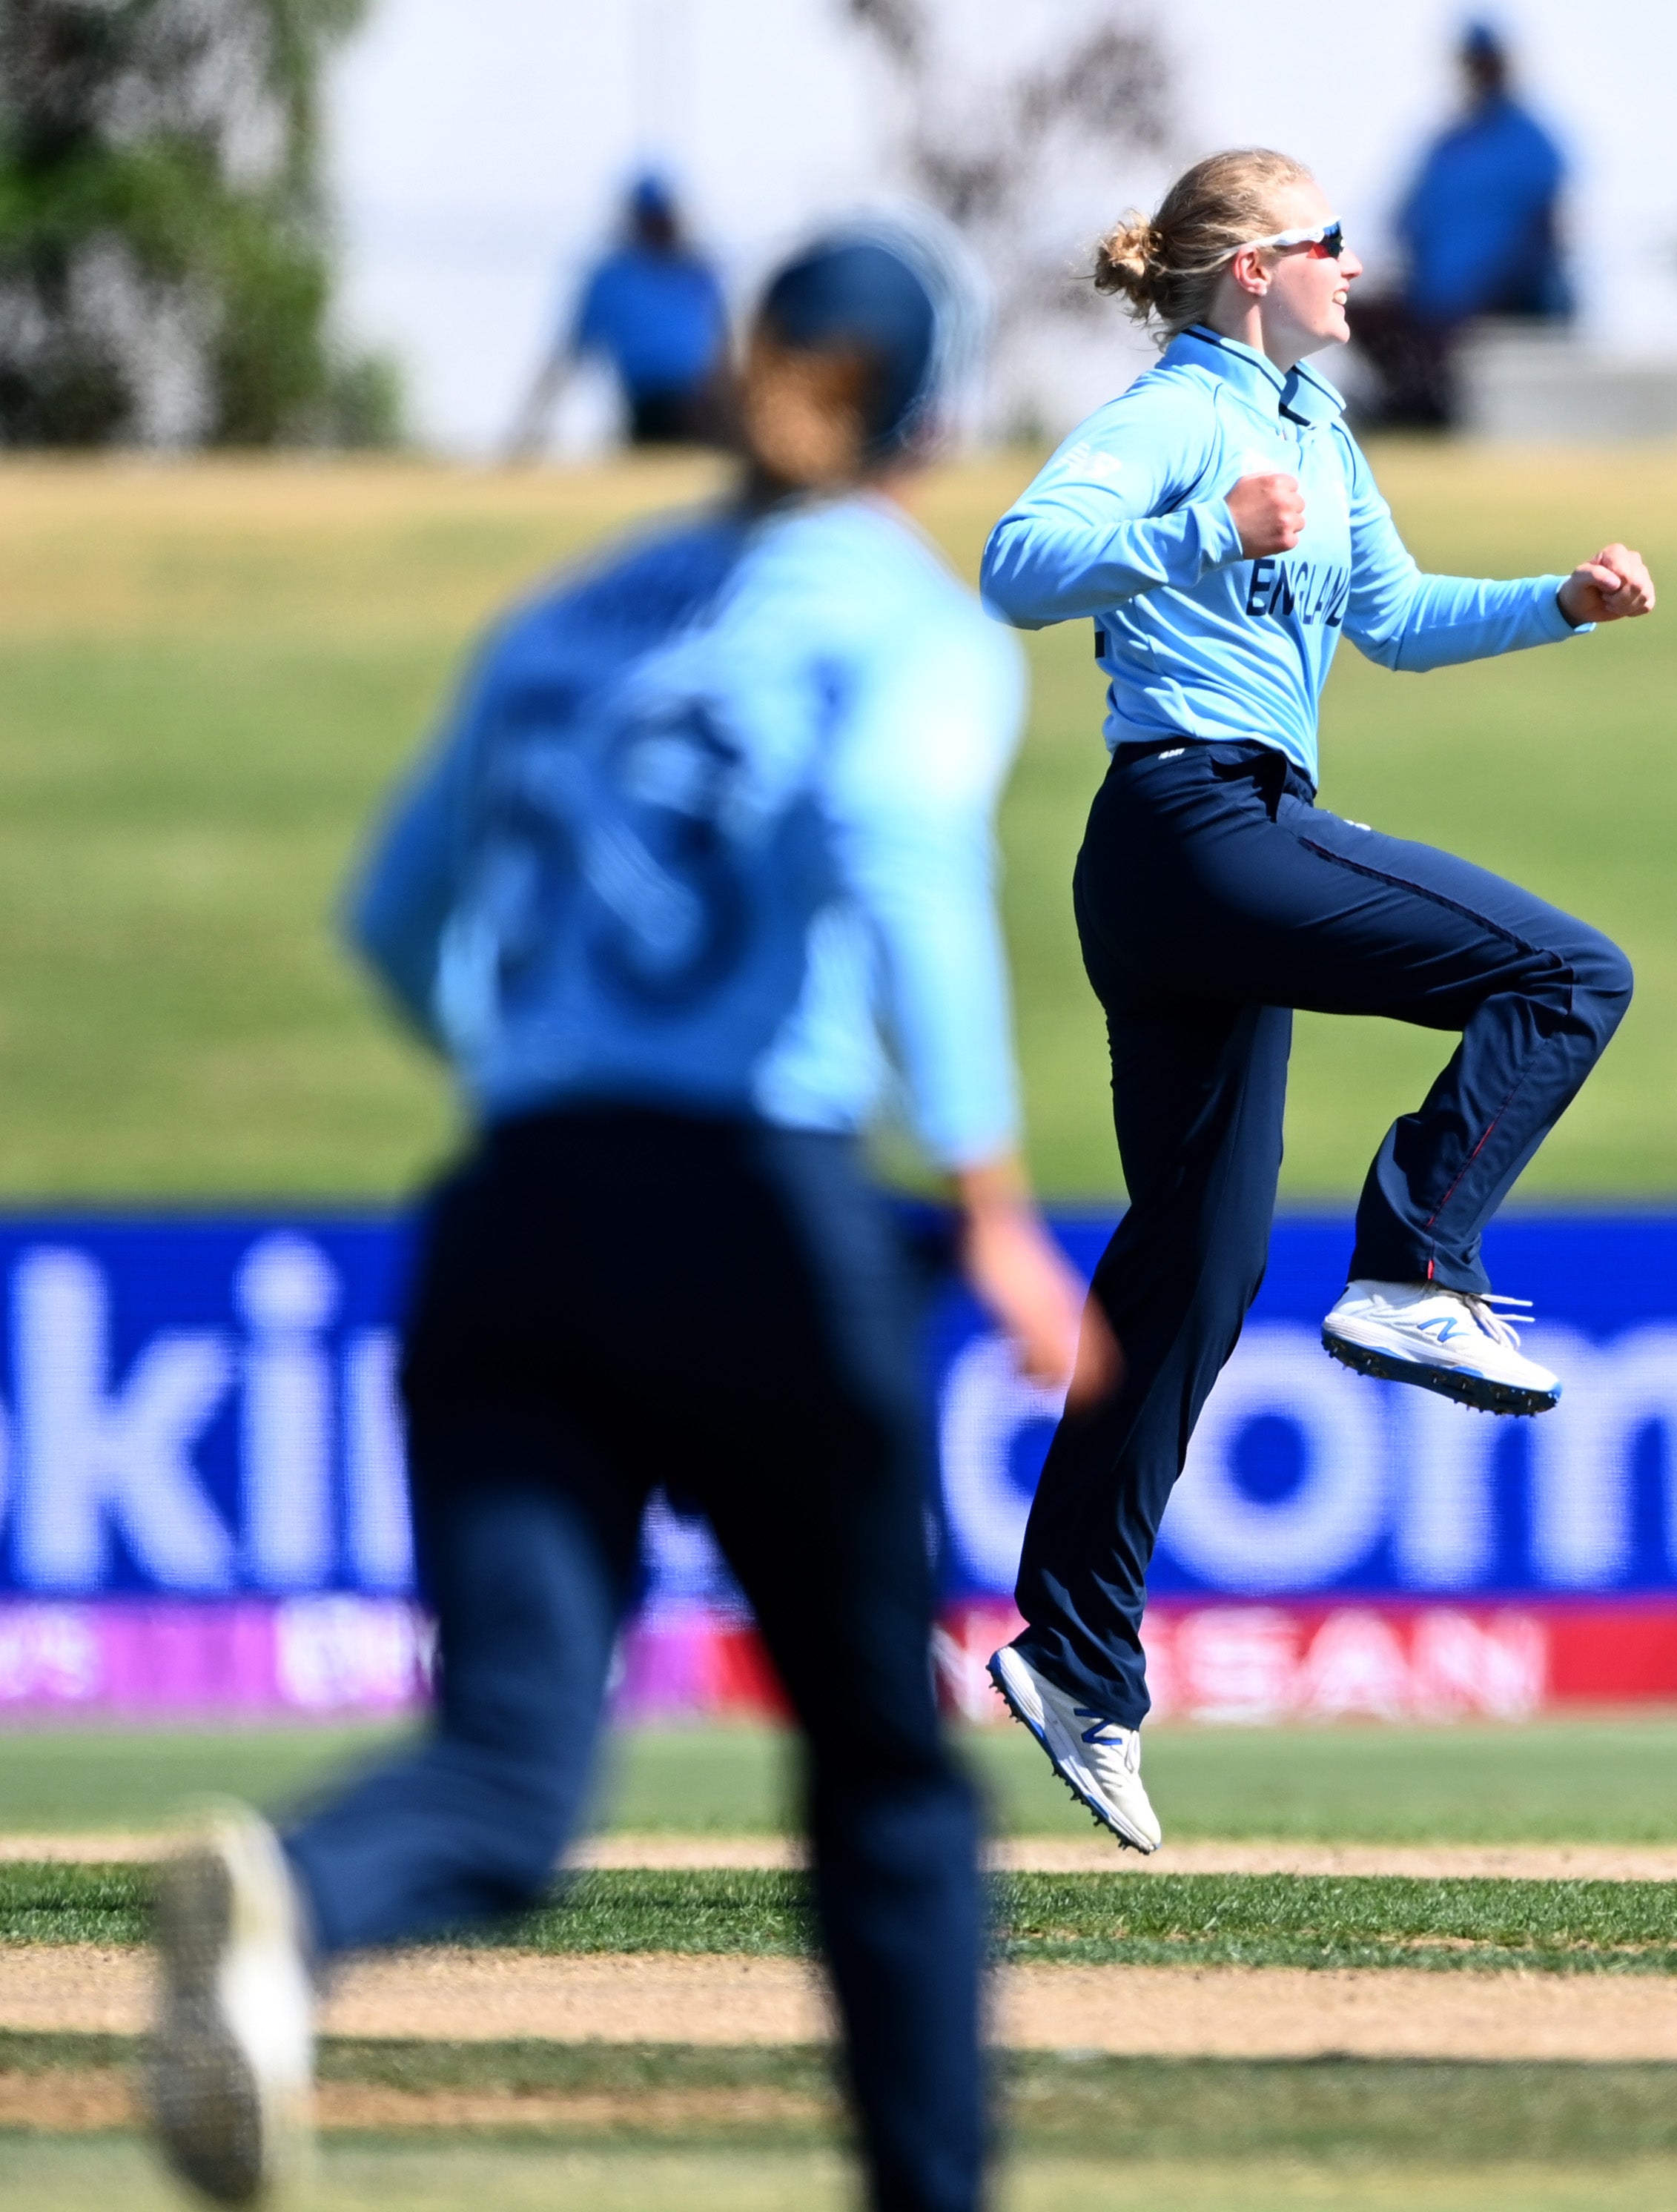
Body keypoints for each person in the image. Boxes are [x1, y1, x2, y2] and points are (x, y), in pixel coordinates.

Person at [144, 215, 1096, 2212]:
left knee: (506, 1774)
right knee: (880, 1774)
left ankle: (292, 1916)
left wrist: (543, 1070)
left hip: (514, 1217)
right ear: (931, 412)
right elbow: (896, 858)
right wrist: (995, 1202)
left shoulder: (568, 617)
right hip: (755, 1213)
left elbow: (400, 924)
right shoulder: (902, 621)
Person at [974, 147, 1652, 1851]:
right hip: (1190, 828)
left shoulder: (1322, 434)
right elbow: (1014, 558)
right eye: (1327, 243)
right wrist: (1202, 525)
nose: (1356, 267)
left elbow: (1401, 623)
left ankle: (1070, 1659)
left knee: (1194, 1264)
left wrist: (1558, 606)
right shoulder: (1188, 412)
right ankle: (1419, 1264)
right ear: (1252, 269)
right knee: (1571, 972)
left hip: (1205, 855)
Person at [1352, 21, 1571, 430]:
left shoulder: (1531, 140)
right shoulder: (1447, 144)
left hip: (1504, 298)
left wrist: (1499, 286)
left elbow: (1548, 231)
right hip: (1432, 297)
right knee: (1352, 313)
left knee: (1448, 341)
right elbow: (1407, 219)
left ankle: (1432, 408)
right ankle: (1412, 404)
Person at [512, 171, 730, 454]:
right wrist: (527, 436)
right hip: (650, 409)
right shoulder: (612, 277)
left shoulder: (702, 271)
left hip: (708, 407)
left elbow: (727, 352)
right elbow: (567, 358)